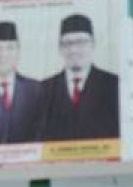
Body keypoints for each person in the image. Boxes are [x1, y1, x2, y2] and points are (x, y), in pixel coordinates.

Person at [40, 14, 120, 142]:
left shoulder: (114, 85)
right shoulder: (43, 90)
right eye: (68, 43)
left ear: (93, 44)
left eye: (81, 42)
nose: (74, 49)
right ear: (60, 48)